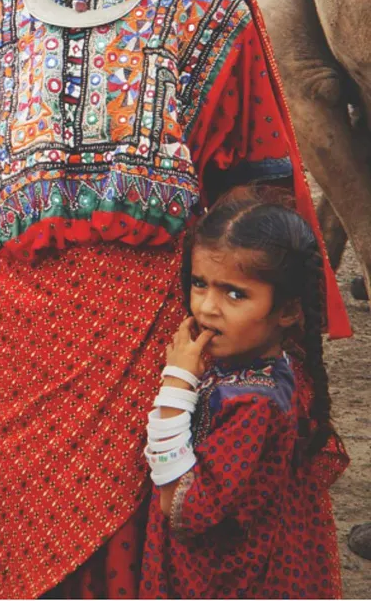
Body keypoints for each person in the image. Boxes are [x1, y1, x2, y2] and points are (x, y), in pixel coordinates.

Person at [0, 0, 351, 600]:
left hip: (159, 346)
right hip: (23, 362)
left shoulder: (205, 10)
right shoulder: (2, 24)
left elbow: (262, 202)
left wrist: (276, 371)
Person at [140, 186, 348, 599]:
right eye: (200, 283)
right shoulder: (253, 366)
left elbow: (180, 506)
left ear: (288, 310)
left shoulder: (253, 404)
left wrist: (176, 387)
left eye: (235, 293)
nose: (207, 308)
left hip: (222, 581)